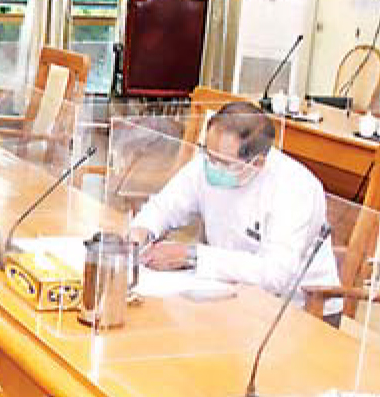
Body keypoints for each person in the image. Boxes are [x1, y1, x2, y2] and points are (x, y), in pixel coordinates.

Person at [127, 101, 341, 319]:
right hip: (226, 293)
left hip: (295, 309)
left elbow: (275, 274)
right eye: (208, 154)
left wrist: (192, 255)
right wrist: (141, 233)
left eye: (223, 162)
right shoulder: (208, 163)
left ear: (257, 163)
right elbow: (164, 206)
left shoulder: (295, 187)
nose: (212, 166)